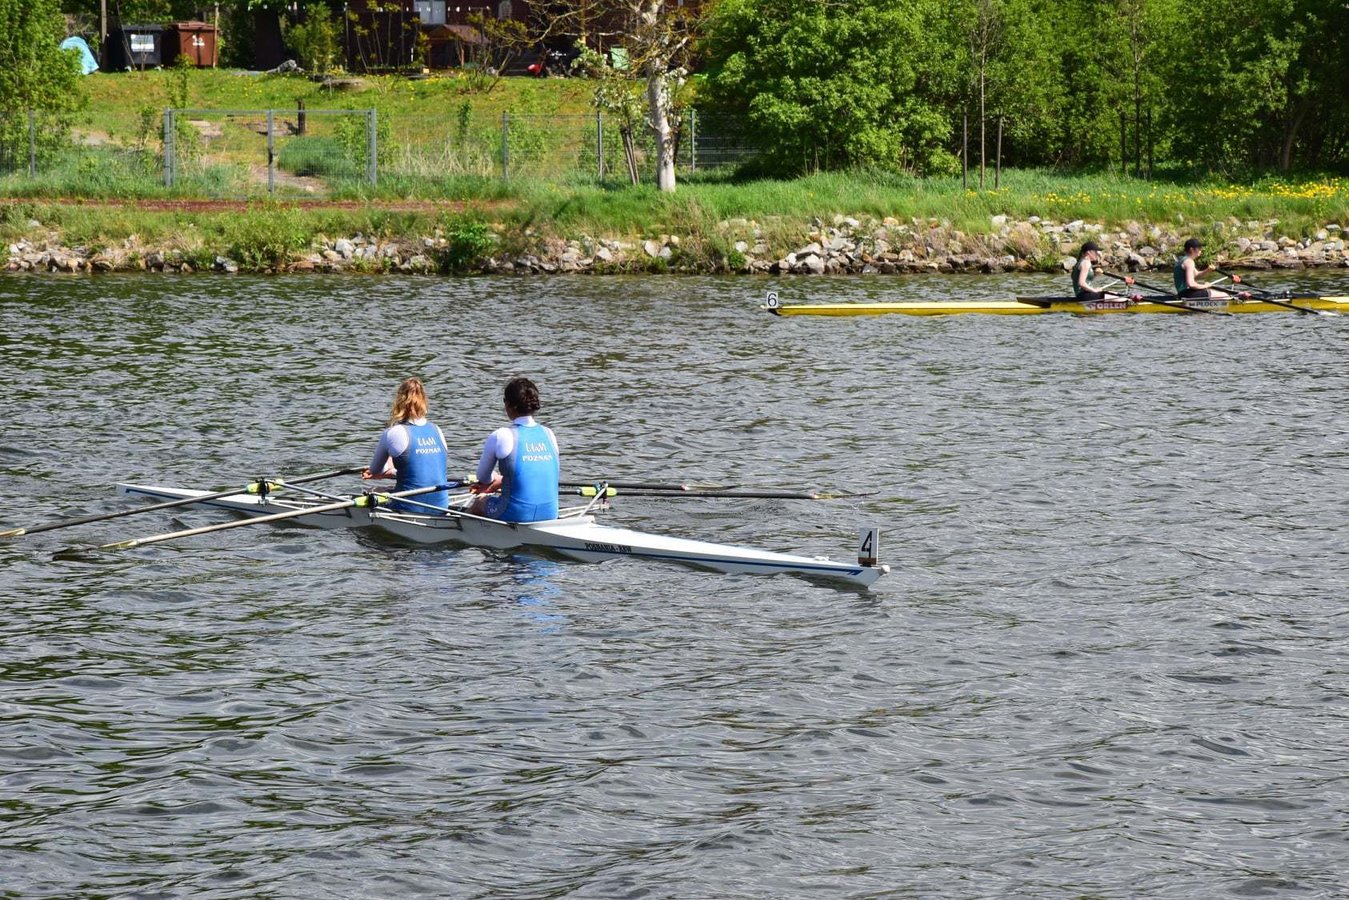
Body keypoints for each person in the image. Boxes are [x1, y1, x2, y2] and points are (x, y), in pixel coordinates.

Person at [469, 377, 560, 523]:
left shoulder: (501, 435)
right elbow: (533, 472)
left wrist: (492, 481)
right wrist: (500, 481)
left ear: (508, 404)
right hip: (551, 513)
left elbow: (483, 477)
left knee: (479, 503)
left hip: (516, 514)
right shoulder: (549, 434)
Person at [362, 377, 450, 514]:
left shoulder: (393, 432)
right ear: (424, 401)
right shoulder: (437, 430)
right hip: (441, 506)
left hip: (408, 508)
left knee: (374, 491)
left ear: (399, 402)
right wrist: (392, 472)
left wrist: (387, 468)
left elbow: (375, 470)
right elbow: (421, 467)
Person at [1174, 238, 1250, 300]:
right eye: (1199, 248)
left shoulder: (1182, 260)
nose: (1200, 251)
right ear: (1191, 249)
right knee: (1224, 296)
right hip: (1189, 294)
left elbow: (1196, 275)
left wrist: (1208, 270)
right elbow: (1191, 284)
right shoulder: (1189, 262)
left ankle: (1237, 295)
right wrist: (1205, 286)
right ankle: (1239, 297)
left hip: (1183, 294)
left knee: (1216, 292)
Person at [1071, 241, 1136, 301]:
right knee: (1116, 297)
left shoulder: (1081, 262)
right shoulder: (1086, 263)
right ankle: (1130, 302)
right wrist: (1095, 291)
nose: (1097, 254)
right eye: (1095, 252)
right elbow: (1081, 283)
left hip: (1084, 294)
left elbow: (1084, 280)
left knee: (1113, 293)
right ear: (1088, 252)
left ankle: (1128, 300)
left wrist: (1095, 274)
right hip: (1084, 296)